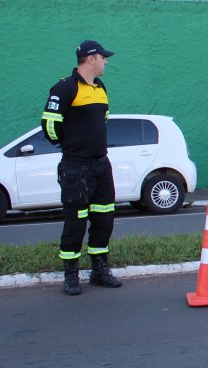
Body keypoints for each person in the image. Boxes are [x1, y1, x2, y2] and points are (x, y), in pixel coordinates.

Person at [40, 40, 122, 295]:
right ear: (90, 59)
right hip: (76, 167)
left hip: (101, 165)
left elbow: (103, 118)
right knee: (75, 222)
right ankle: (71, 276)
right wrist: (71, 145)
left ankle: (99, 271)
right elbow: (50, 126)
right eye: (103, 57)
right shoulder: (65, 87)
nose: (106, 61)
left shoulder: (100, 87)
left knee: (104, 219)